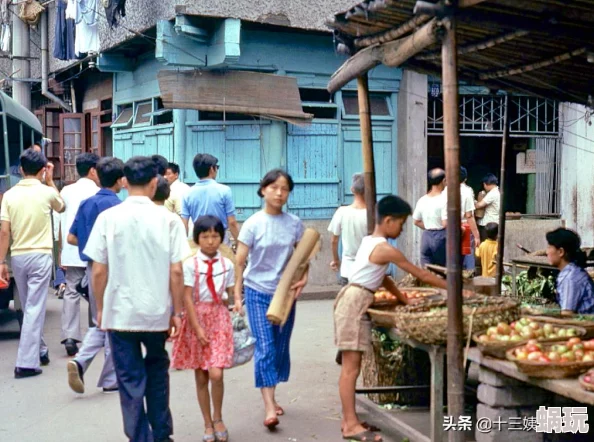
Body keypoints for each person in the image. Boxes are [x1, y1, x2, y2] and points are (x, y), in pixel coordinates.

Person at [84, 156, 189, 442]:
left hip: (120, 314)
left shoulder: (109, 218)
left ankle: (139, 437)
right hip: (157, 313)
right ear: (155, 182)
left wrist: (102, 309)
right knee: (157, 372)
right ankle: (162, 435)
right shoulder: (169, 220)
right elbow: (177, 271)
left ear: (125, 182)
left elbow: (98, 271)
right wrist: (177, 312)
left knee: (129, 380)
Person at [336, 195, 448, 442]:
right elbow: (421, 274)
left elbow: (383, 277)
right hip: (355, 302)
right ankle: (350, 425)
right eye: (401, 223)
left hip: (352, 299)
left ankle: (349, 420)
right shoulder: (386, 248)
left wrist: (403, 298)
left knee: (349, 368)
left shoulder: (371, 241)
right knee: (350, 369)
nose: (402, 228)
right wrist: (456, 289)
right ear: (388, 220)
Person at [234, 168, 307, 431]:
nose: (279, 192)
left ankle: (272, 396)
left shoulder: (294, 224)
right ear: (263, 189)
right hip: (256, 292)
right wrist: (237, 294)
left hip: (285, 294)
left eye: (284, 188)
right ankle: (268, 406)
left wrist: (304, 278)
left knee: (278, 347)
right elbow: (240, 262)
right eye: (274, 187)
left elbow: (303, 256)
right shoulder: (253, 223)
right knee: (264, 347)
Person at [0, 149, 65, 378]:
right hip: (40, 255)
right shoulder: (47, 193)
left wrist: (1, 262)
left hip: (17, 256)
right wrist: (49, 181)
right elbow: (62, 206)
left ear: (20, 169)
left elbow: (5, 232)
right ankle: (25, 363)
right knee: (34, 308)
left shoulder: (9, 195)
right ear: (43, 169)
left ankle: (41, 350)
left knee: (29, 306)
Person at [171, 215, 236, 442]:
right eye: (205, 236)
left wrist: (234, 304)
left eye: (215, 236)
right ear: (197, 238)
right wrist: (196, 327)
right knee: (201, 376)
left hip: (218, 318)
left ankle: (218, 417)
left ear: (221, 237)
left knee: (217, 372)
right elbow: (187, 297)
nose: (210, 241)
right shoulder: (190, 264)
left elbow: (231, 292)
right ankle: (207, 422)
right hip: (196, 318)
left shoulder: (227, 264)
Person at [66, 157, 124, 395]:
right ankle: (111, 378)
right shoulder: (119, 207)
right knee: (114, 322)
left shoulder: (87, 203)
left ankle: (80, 361)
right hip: (115, 266)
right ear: (120, 180)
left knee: (100, 318)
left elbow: (71, 237)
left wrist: (92, 246)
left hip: (91, 267)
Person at [59, 152, 100, 356]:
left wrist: (60, 251)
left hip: (71, 249)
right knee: (95, 291)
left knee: (71, 291)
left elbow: (60, 220)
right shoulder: (99, 192)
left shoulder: (66, 190)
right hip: (93, 251)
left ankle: (70, 336)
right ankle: (96, 333)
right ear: (93, 170)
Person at [181, 154, 240, 245]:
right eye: (217, 167)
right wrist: (239, 244)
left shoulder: (187, 194)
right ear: (212, 169)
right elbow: (232, 222)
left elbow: (184, 224)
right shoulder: (224, 190)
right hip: (219, 241)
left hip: (199, 241)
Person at [545, 228, 594, 315]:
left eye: (549, 247)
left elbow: (567, 315)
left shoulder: (570, 279)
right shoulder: (572, 271)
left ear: (560, 252)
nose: (547, 252)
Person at [441, 167, 480, 270]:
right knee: (467, 254)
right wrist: (476, 235)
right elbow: (469, 216)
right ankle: (469, 277)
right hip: (464, 226)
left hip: (448, 225)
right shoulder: (467, 192)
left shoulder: (445, 190)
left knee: (451, 254)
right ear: (465, 179)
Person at [413, 168, 447, 267]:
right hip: (441, 237)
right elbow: (445, 223)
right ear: (443, 181)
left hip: (426, 237)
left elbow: (416, 221)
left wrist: (429, 227)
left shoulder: (422, 200)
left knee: (427, 271)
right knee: (444, 271)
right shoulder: (444, 199)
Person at [475, 173, 501, 243]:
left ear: (486, 184)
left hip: (489, 223)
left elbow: (479, 205)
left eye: (484, 184)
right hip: (493, 222)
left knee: (486, 243)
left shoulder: (492, 193)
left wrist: (472, 202)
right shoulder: (496, 192)